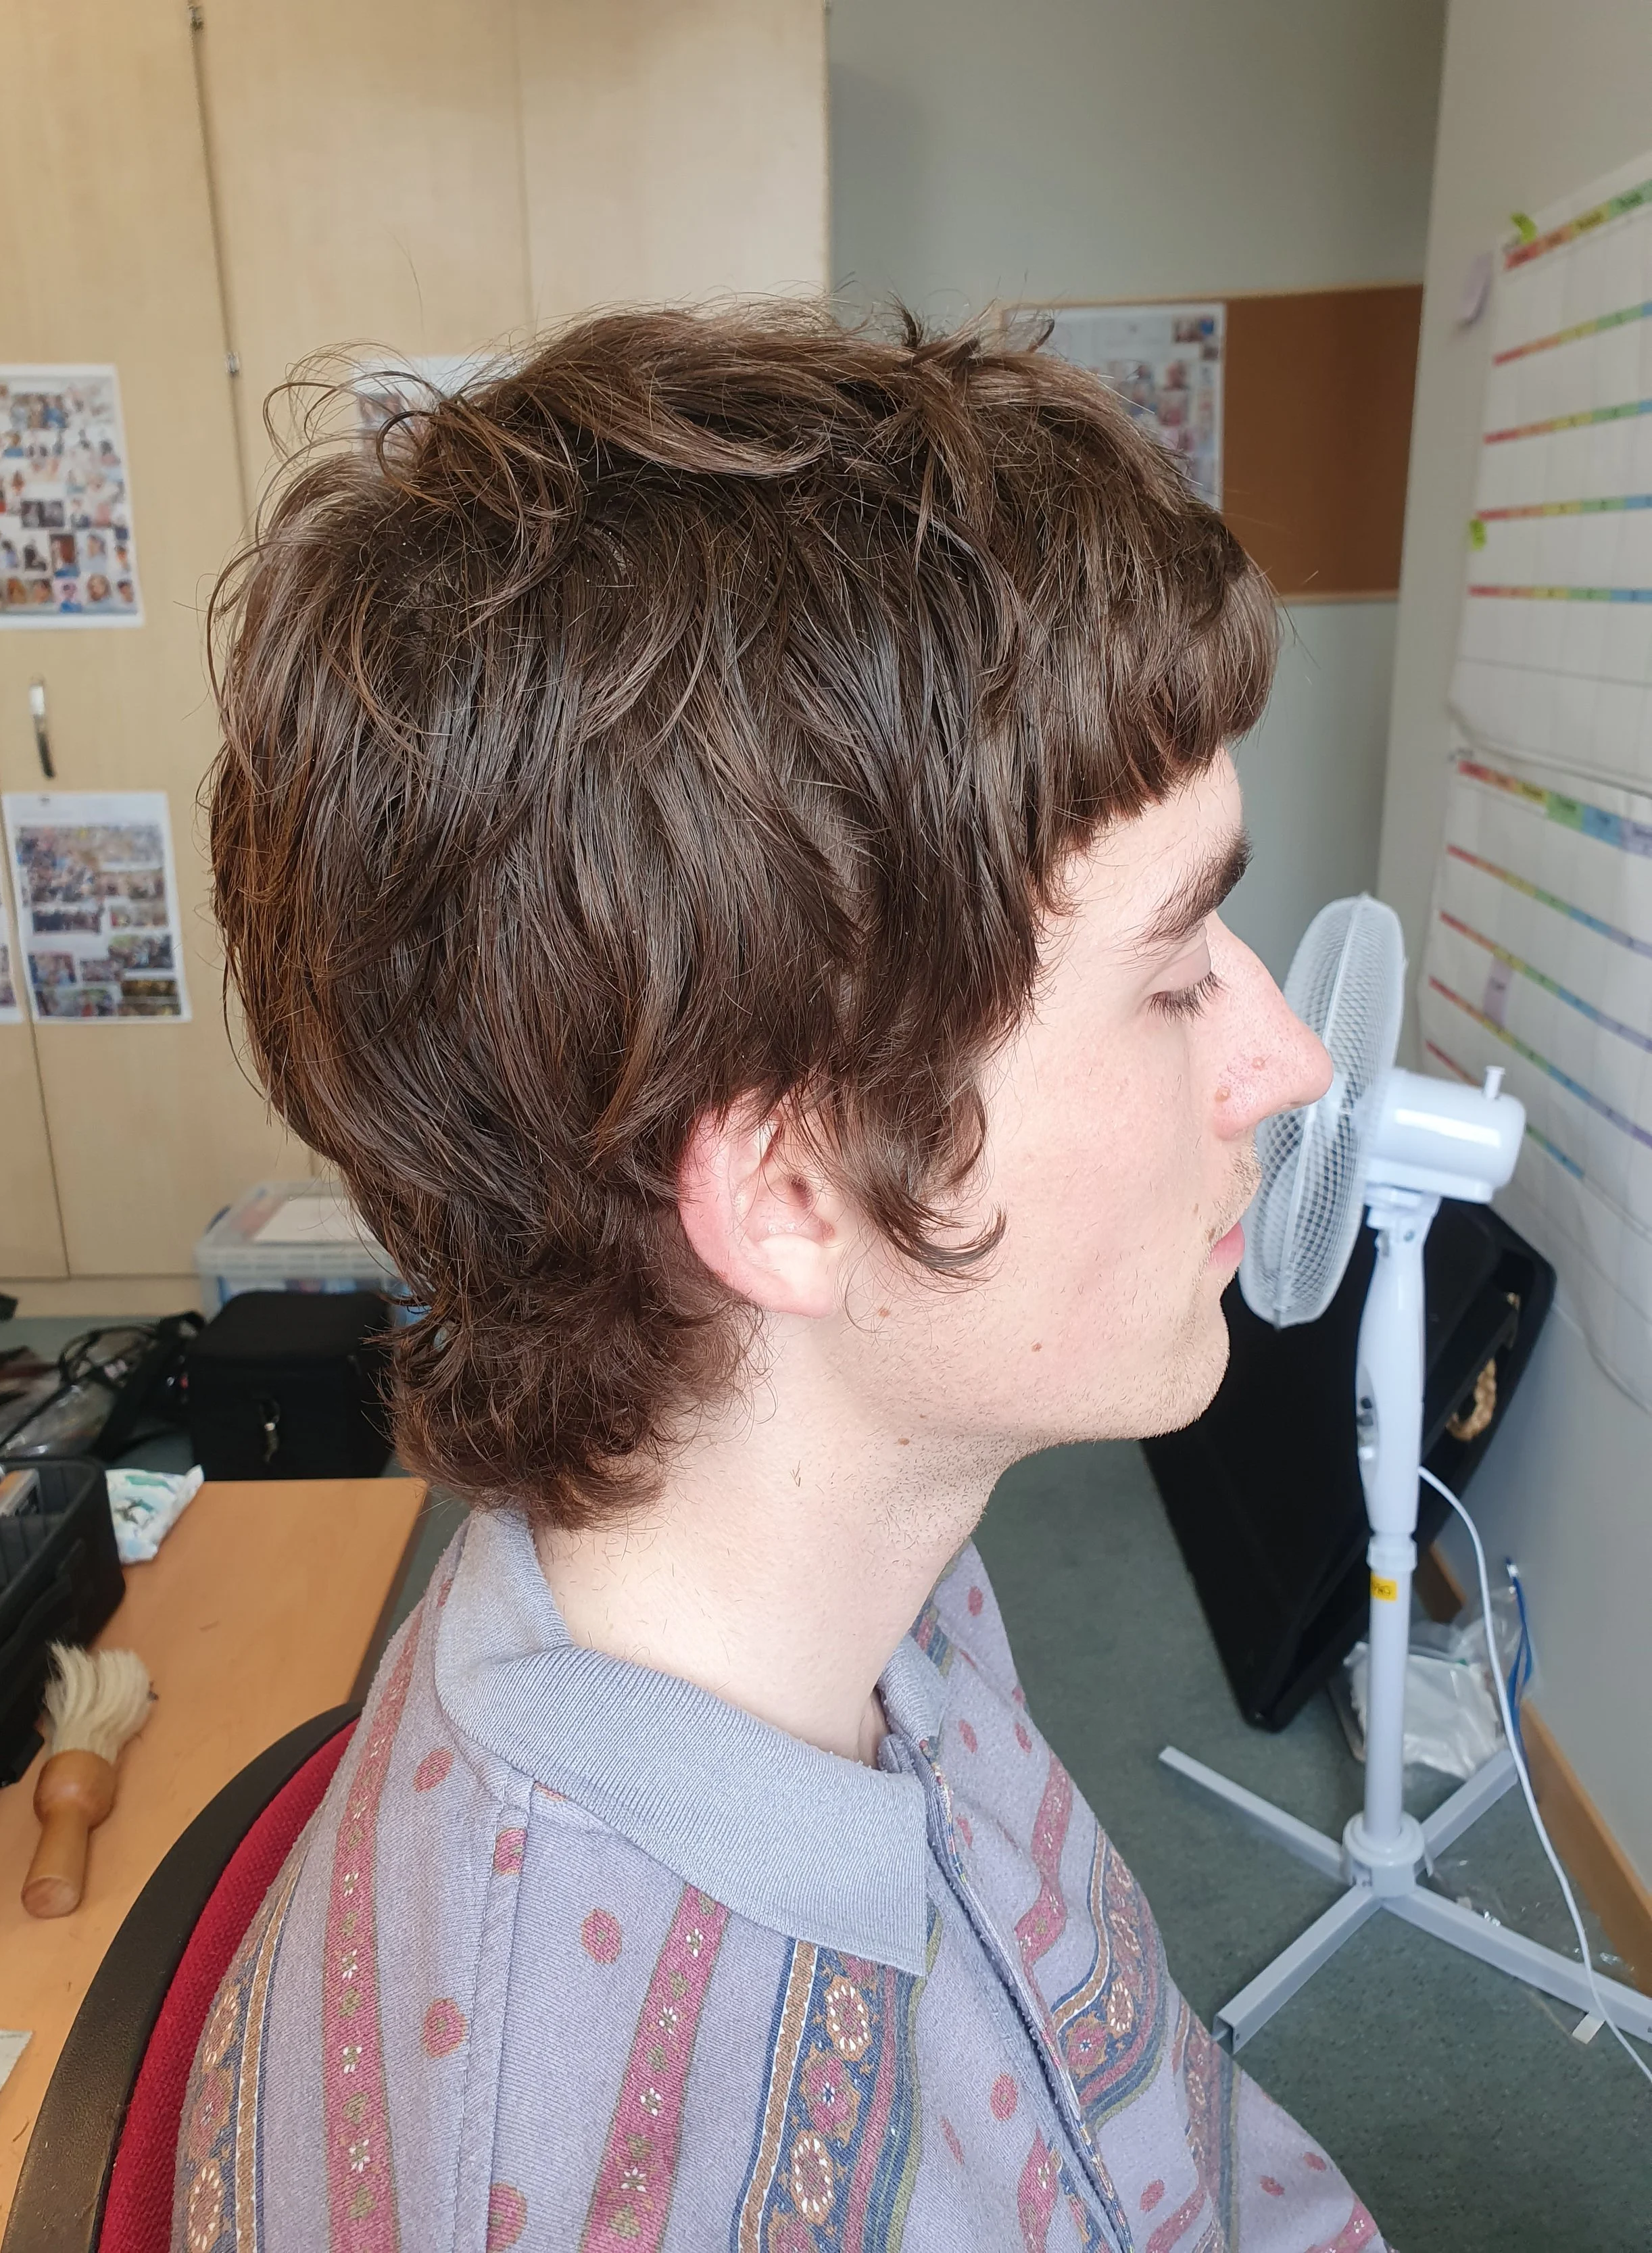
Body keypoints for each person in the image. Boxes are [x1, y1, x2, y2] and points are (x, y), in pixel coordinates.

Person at [186, 309, 1382, 2253]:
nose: (1287, 1060)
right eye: (1175, 976)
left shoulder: (877, 1573)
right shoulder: (626, 2188)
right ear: (798, 1191)